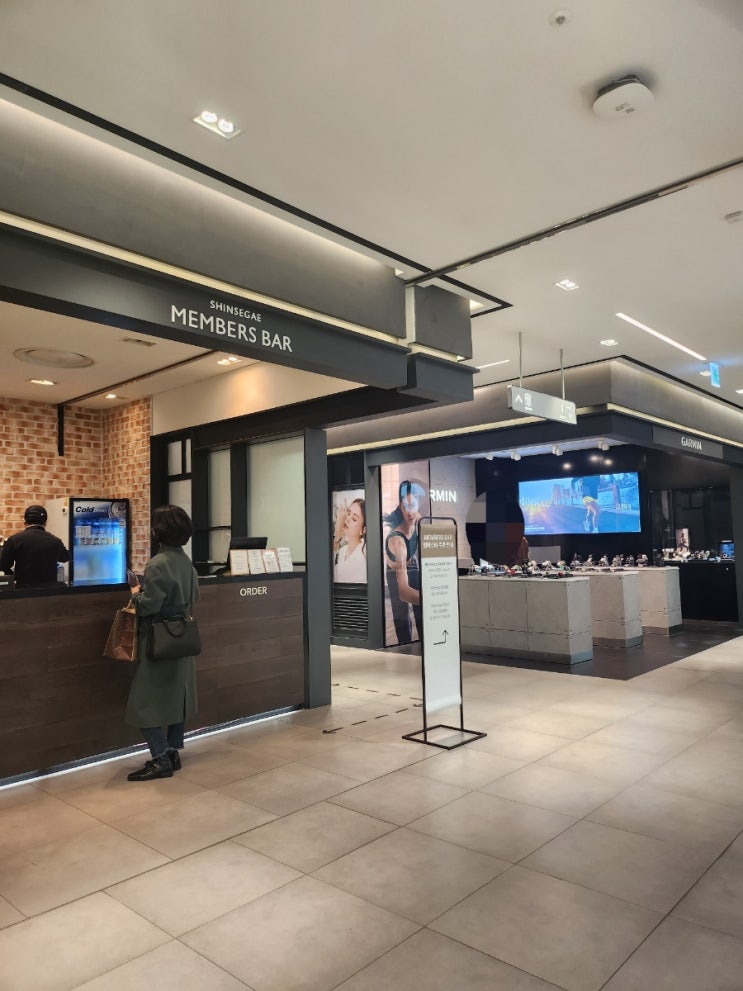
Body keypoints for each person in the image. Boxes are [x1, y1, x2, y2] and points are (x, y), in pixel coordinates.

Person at [125, 505, 200, 782]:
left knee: (142, 703)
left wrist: (135, 591)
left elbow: (148, 605)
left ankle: (160, 758)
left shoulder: (157, 564)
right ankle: (172, 751)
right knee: (178, 698)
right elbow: (195, 597)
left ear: (159, 532)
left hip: (157, 639)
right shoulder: (185, 562)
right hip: (182, 637)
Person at [384, 480, 427, 643]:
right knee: (401, 615)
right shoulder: (397, 541)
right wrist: (432, 600)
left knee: (421, 612)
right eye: (405, 507)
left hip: (412, 563)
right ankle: (405, 647)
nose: (410, 511)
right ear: (400, 508)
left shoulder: (418, 521)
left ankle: (423, 644)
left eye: (413, 505)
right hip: (395, 570)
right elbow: (404, 592)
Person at [0, 504, 69, 588]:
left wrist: (13, 575)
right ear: (45, 522)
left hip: (24, 590)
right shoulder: (56, 541)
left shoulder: (14, 540)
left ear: (24, 521)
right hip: (50, 591)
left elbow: (4, 565)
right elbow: (65, 557)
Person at [333, 497, 367, 582]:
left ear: (363, 530)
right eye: (348, 513)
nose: (347, 519)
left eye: (354, 519)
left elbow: (331, 575)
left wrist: (338, 532)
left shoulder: (364, 553)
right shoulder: (342, 551)